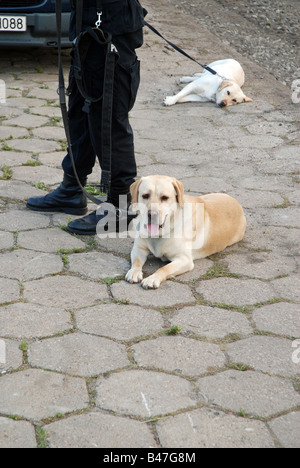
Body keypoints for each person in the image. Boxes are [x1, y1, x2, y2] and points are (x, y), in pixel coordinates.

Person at [26, 0, 146, 235]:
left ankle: (119, 207)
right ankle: (72, 188)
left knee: (109, 122)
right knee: (80, 113)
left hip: (113, 25)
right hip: (84, 21)